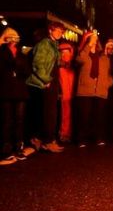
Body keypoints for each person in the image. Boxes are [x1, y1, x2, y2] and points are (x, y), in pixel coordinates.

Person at [26, 21, 65, 153]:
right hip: (45, 83)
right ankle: (46, 141)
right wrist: (46, 80)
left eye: (61, 31)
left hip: (51, 81)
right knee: (48, 113)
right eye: (57, 30)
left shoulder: (54, 44)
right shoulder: (44, 44)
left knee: (50, 112)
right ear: (50, 30)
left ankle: (46, 139)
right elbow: (38, 64)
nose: (60, 33)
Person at [75, 31, 113, 147]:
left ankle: (98, 137)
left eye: (95, 38)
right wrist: (88, 45)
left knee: (99, 116)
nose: (94, 40)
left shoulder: (103, 56)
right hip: (85, 90)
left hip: (100, 90)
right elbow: (79, 59)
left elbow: (109, 73)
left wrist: (108, 83)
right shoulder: (83, 54)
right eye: (92, 38)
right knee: (84, 116)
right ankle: (82, 139)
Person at [0, 28, 32, 165]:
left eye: (15, 36)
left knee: (19, 120)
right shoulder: (1, 52)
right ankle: (6, 150)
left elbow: (27, 70)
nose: (13, 39)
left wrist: (17, 68)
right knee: (7, 121)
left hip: (20, 91)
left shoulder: (21, 53)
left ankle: (18, 147)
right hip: (6, 91)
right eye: (10, 36)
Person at [58, 42, 75, 143]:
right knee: (64, 115)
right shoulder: (59, 67)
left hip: (72, 95)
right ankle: (64, 134)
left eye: (67, 52)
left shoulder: (73, 67)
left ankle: (69, 133)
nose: (65, 55)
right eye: (62, 52)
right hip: (64, 96)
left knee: (70, 115)